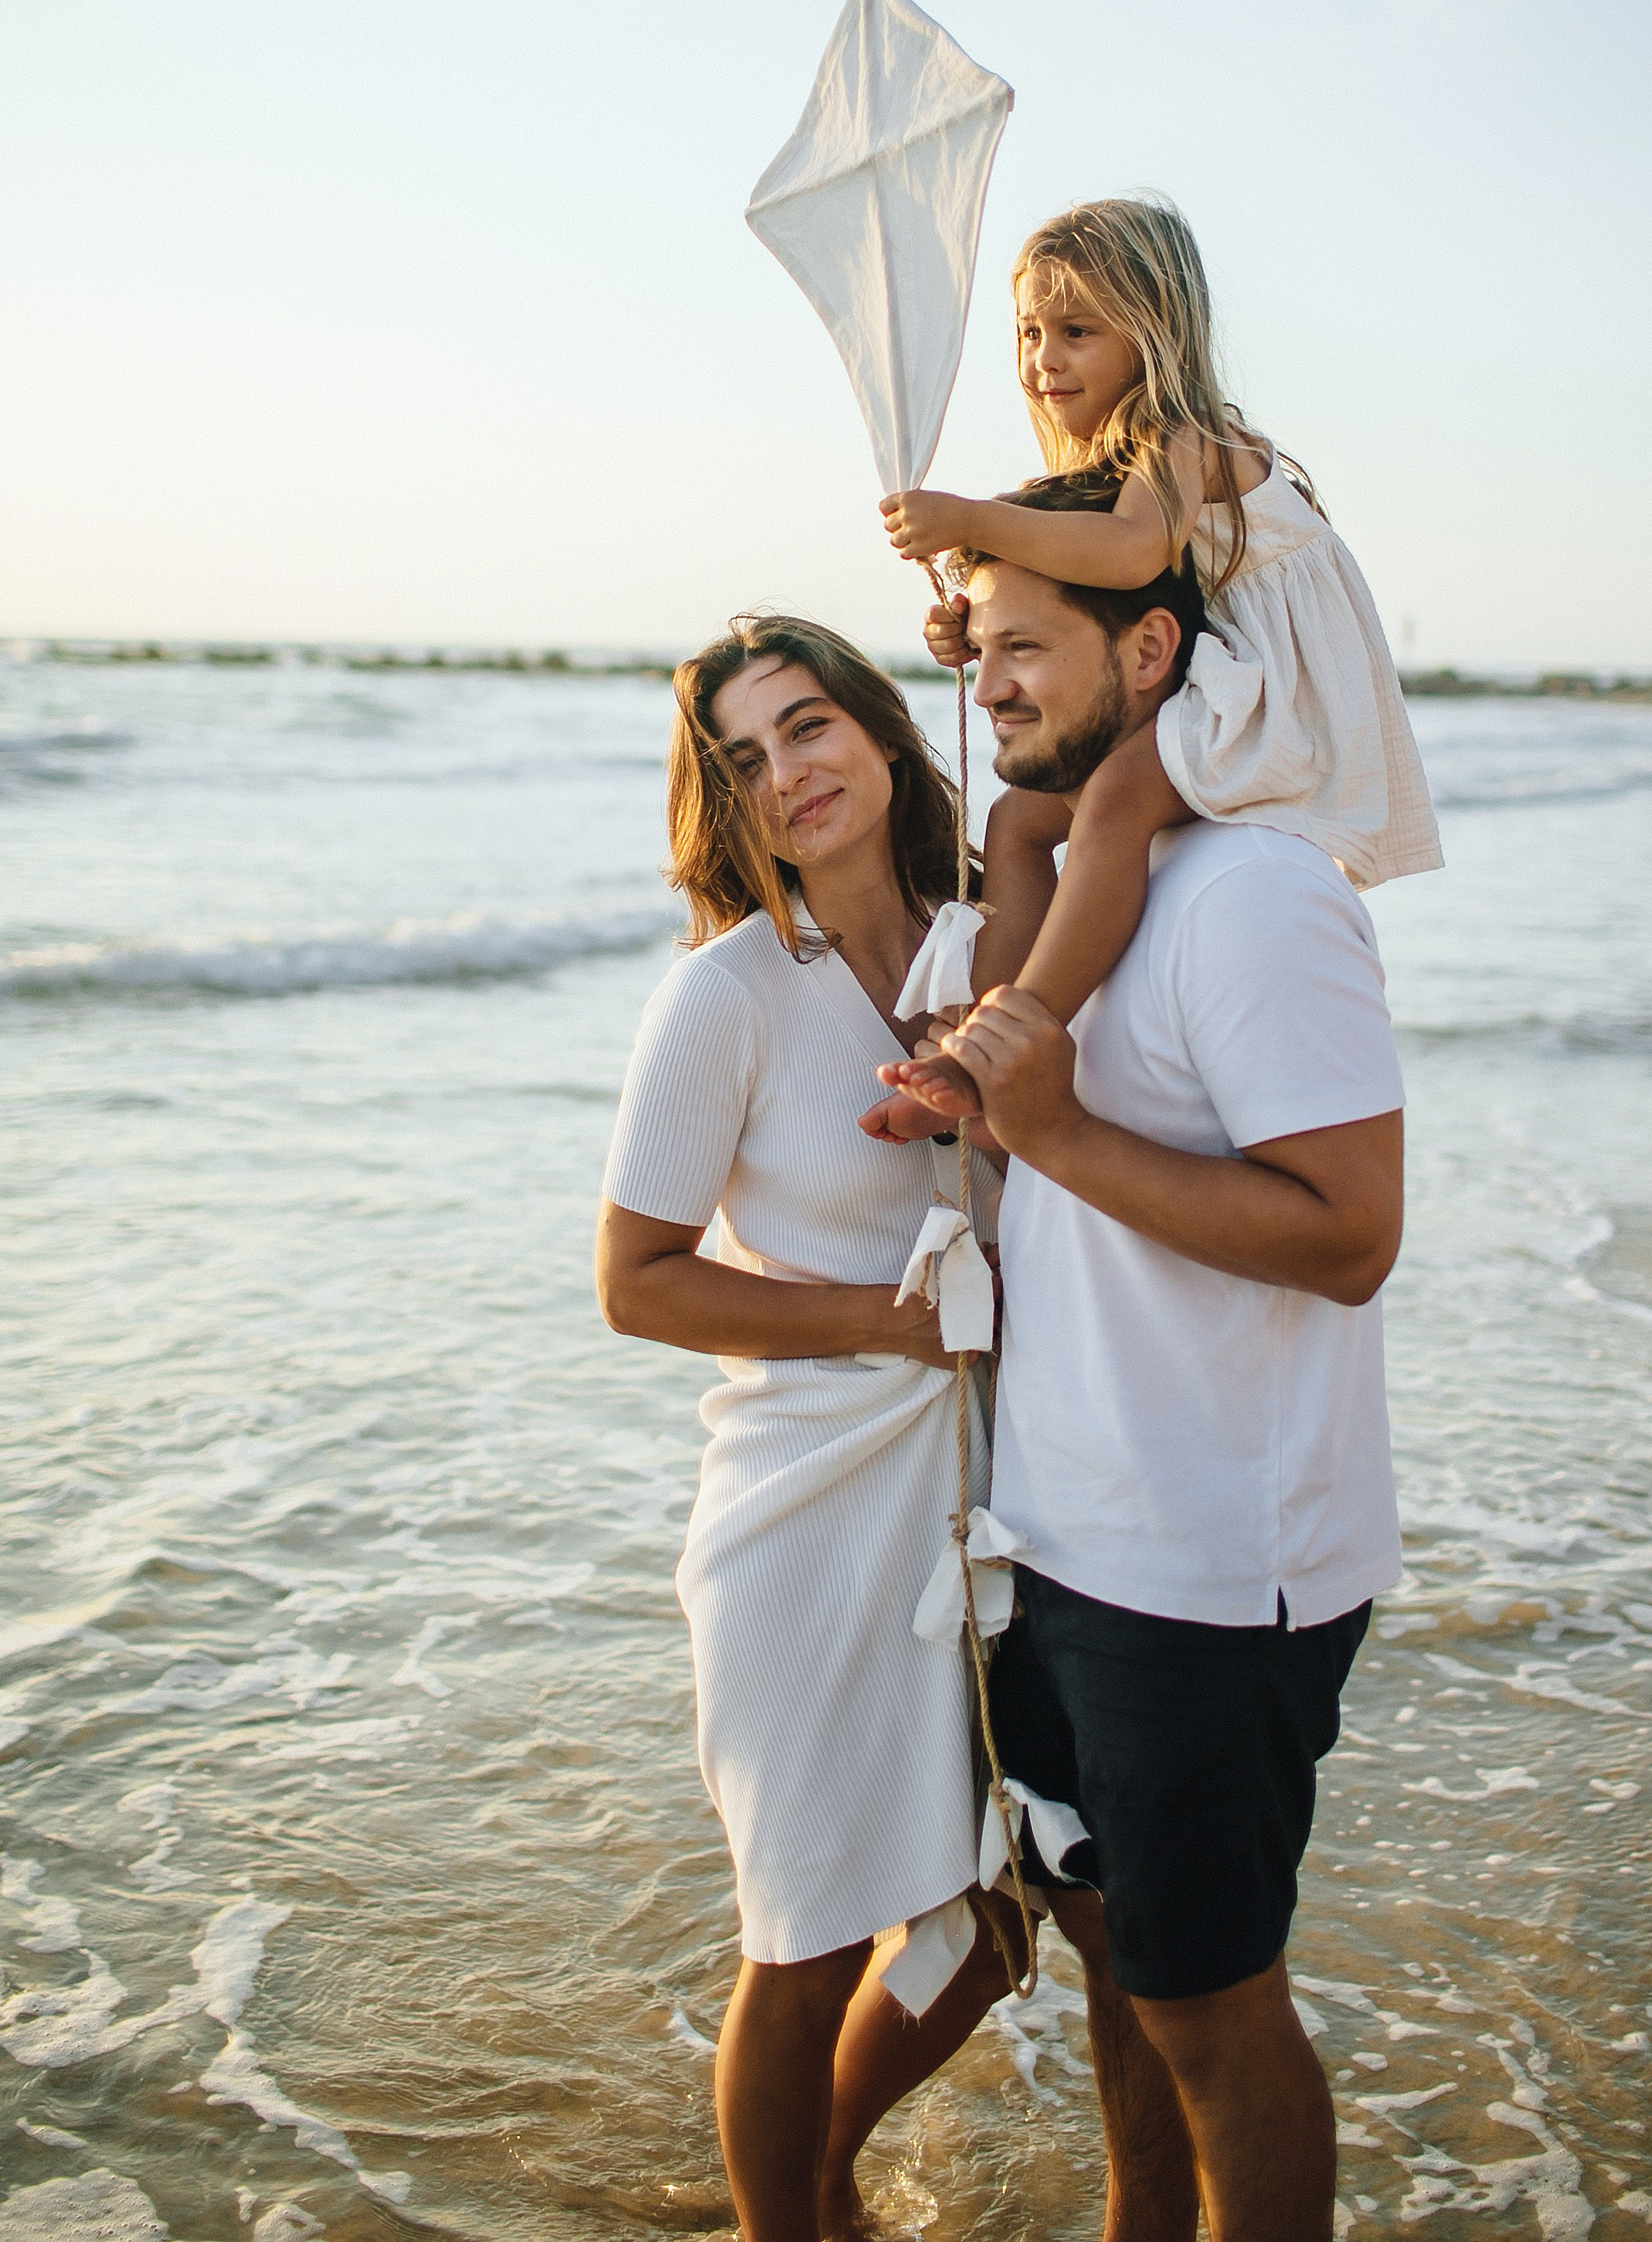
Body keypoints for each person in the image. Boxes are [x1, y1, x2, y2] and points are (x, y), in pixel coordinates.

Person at [875, 484, 1408, 2242]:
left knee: (1209, 2000)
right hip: (1067, 1534)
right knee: (1122, 1965)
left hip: (1208, 1570)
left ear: (1157, 648)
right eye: (983, 644)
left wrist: (1056, 1124)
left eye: (1032, 648)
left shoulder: (1252, 891)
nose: (993, 683)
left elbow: (1349, 1230)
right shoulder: (1078, 891)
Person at [593, 616, 1028, 2242]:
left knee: (992, 1918)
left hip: (987, 1498)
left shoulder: (992, 942)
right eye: (746, 759)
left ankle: (819, 2175)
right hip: (802, 1511)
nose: (788, 775)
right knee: (809, 1936)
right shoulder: (726, 995)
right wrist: (880, 1322)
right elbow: (635, 1283)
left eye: (808, 725)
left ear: (873, 724)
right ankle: (791, 2223)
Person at [868, 192, 1439, 1137]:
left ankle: (1017, 1037)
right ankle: (981, 1019)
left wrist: (970, 516)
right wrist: (971, 629)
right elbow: (1088, 588)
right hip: (1219, 685)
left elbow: (1131, 557)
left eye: (1077, 331)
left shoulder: (1189, 439)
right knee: (1015, 823)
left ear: (1155, 332)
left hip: (1271, 699)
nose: (1042, 359)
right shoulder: (1118, 458)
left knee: (1117, 801)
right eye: (1028, 332)